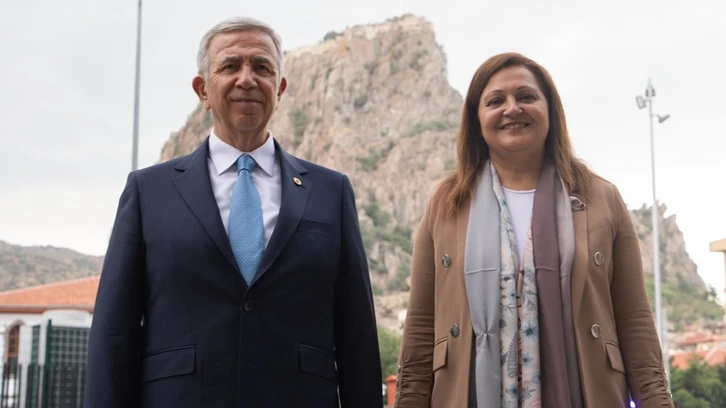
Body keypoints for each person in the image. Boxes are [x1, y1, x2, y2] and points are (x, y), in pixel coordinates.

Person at [84, 16, 382, 408]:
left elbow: (357, 335)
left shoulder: (331, 191)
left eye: (262, 67)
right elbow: (114, 333)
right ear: (203, 90)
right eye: (229, 66)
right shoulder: (148, 192)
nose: (247, 79)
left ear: (280, 89)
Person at [393, 52, 673, 408]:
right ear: (476, 119)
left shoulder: (602, 198)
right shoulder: (447, 204)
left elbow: (634, 321)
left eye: (526, 96)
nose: (512, 109)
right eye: (496, 101)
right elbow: (421, 325)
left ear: (550, 110)